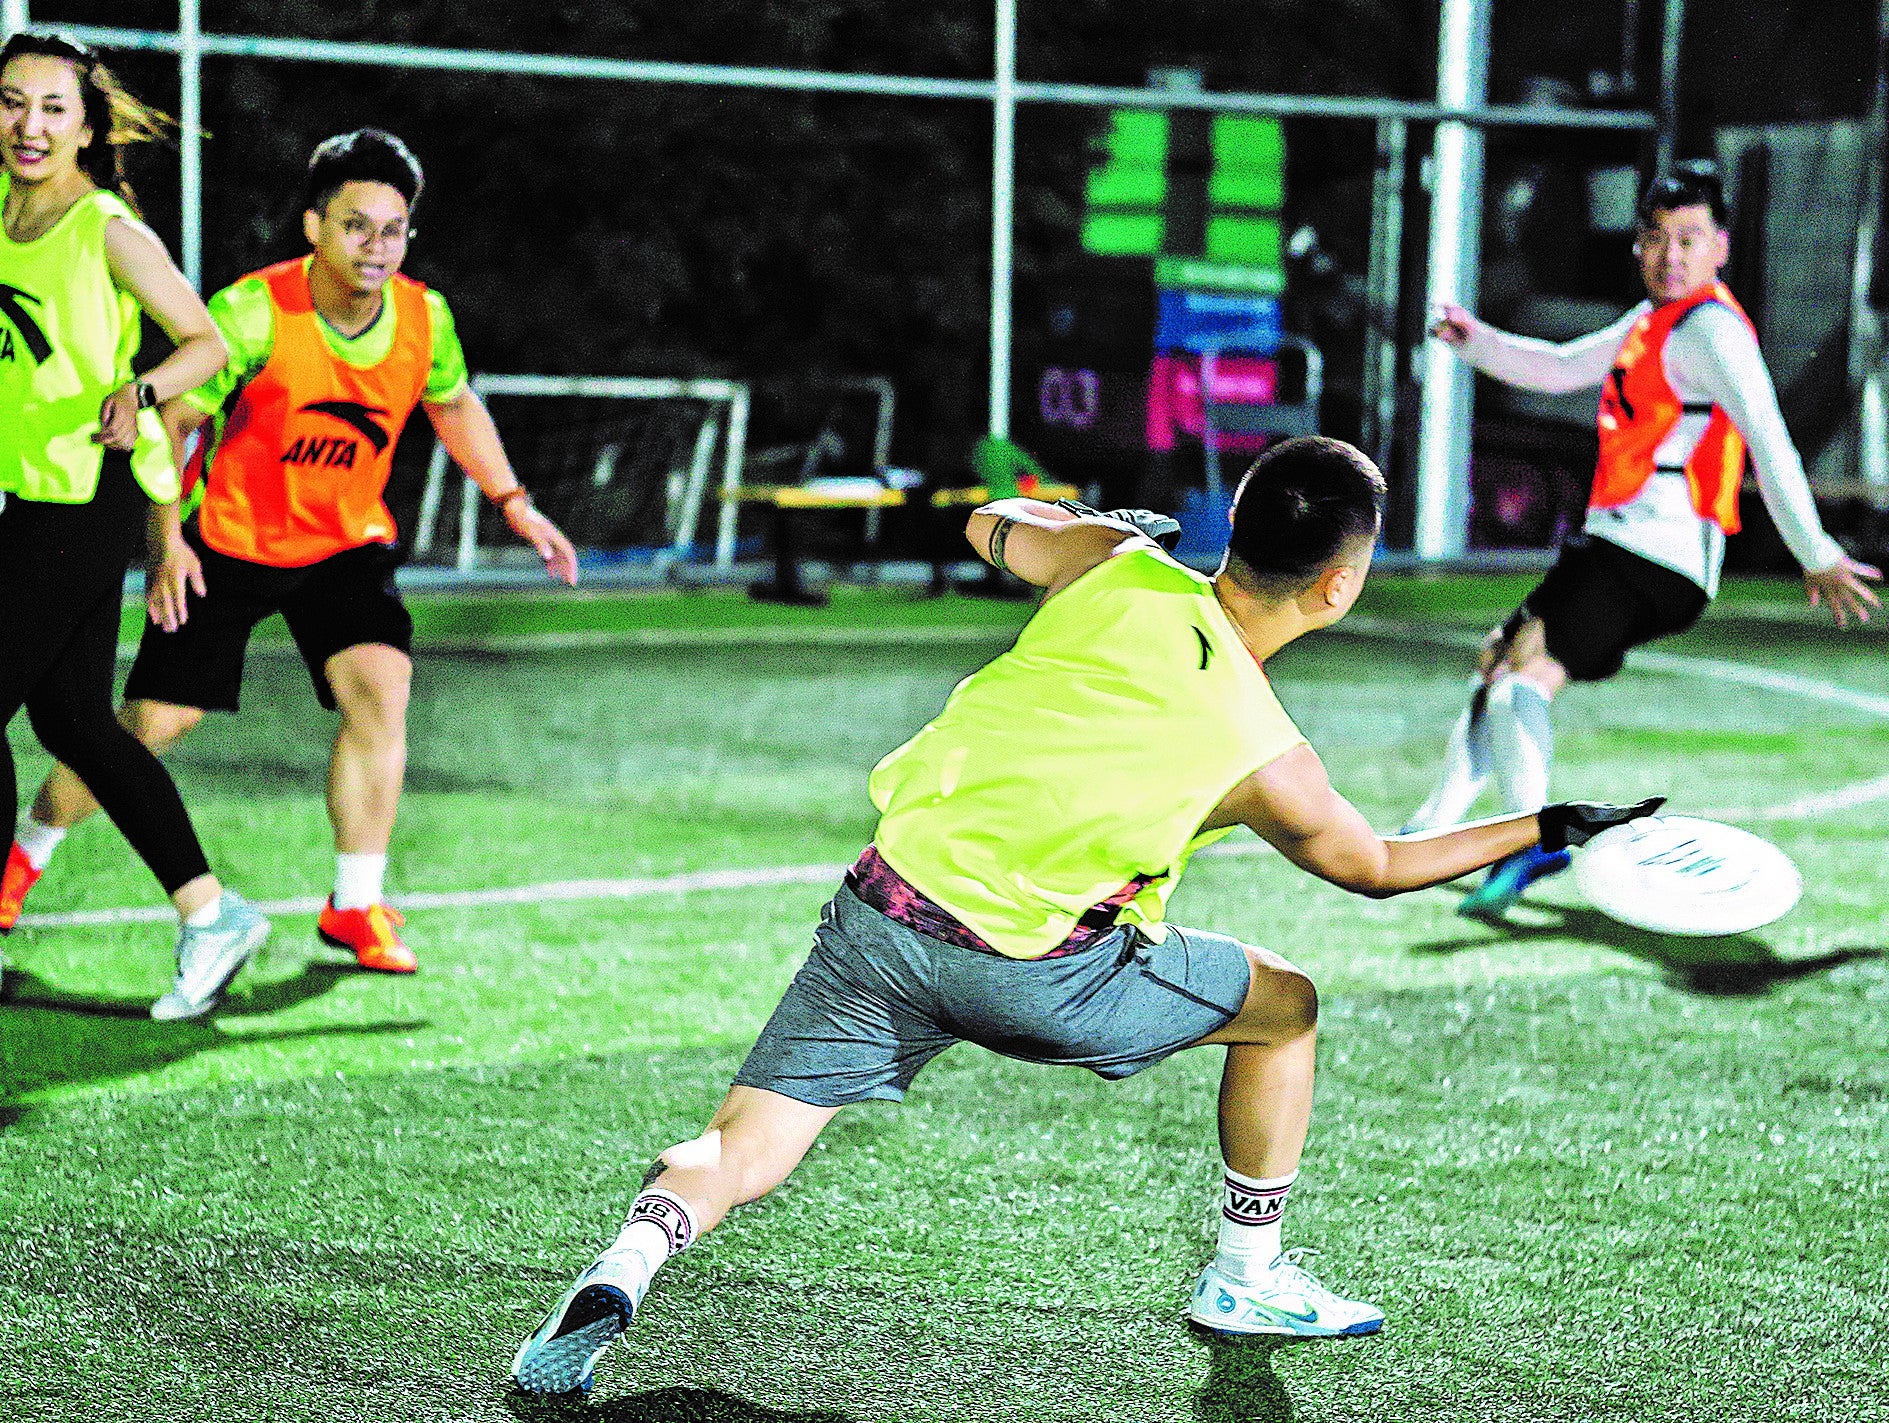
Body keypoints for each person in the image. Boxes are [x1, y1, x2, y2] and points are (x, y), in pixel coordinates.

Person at [509, 436, 1660, 1396]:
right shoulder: (1265, 749)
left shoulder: (1116, 565)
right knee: (1285, 1006)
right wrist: (1544, 822)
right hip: (1032, 970)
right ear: (1338, 583)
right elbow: (1375, 867)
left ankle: (627, 1260)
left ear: (1229, 523)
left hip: (884, 908)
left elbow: (988, 526)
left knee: (739, 1146)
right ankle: (1244, 1273)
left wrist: (1085, 520)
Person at [3, 127, 580, 975]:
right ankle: (25, 851)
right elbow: (174, 418)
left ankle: (355, 905)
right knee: (153, 724)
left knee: (382, 686)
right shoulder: (254, 310)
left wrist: (514, 502)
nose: (375, 247)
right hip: (227, 539)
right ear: (313, 226)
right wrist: (167, 544)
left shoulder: (426, 318)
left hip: (344, 542)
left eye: (392, 230)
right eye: (356, 226)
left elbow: (452, 406)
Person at [1405, 161, 1881, 919]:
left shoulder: (1713, 333)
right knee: (1497, 656)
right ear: (1636, 246)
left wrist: (1816, 550)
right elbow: (1559, 367)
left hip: (1656, 554)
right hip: (1621, 546)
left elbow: (1770, 441)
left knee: (1524, 674)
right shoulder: (1649, 322)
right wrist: (1475, 341)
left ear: (1720, 247)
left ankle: (1537, 844)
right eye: (1655, 238)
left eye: (1689, 239)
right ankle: (1430, 829)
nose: (1671, 255)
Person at [0, 30, 270, 1020]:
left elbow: (203, 343)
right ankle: (212, 913)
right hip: (30, 497)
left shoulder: (104, 225)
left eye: (52, 107)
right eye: (11, 101)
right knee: (72, 719)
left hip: (82, 500)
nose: (29, 125)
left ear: (86, 124)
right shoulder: (2, 212)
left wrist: (142, 391)